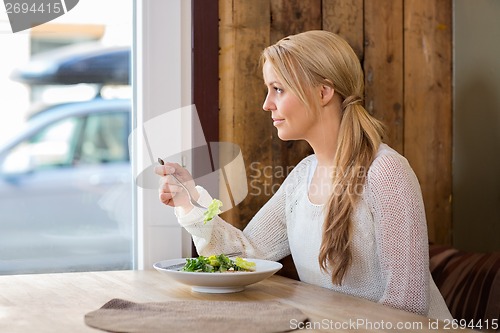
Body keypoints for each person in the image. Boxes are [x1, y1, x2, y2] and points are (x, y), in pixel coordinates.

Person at [155, 30, 452, 320]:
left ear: (323, 92)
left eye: (278, 89)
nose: (266, 103)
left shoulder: (386, 172)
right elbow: (243, 258)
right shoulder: (302, 177)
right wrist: (190, 201)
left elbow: (408, 307)